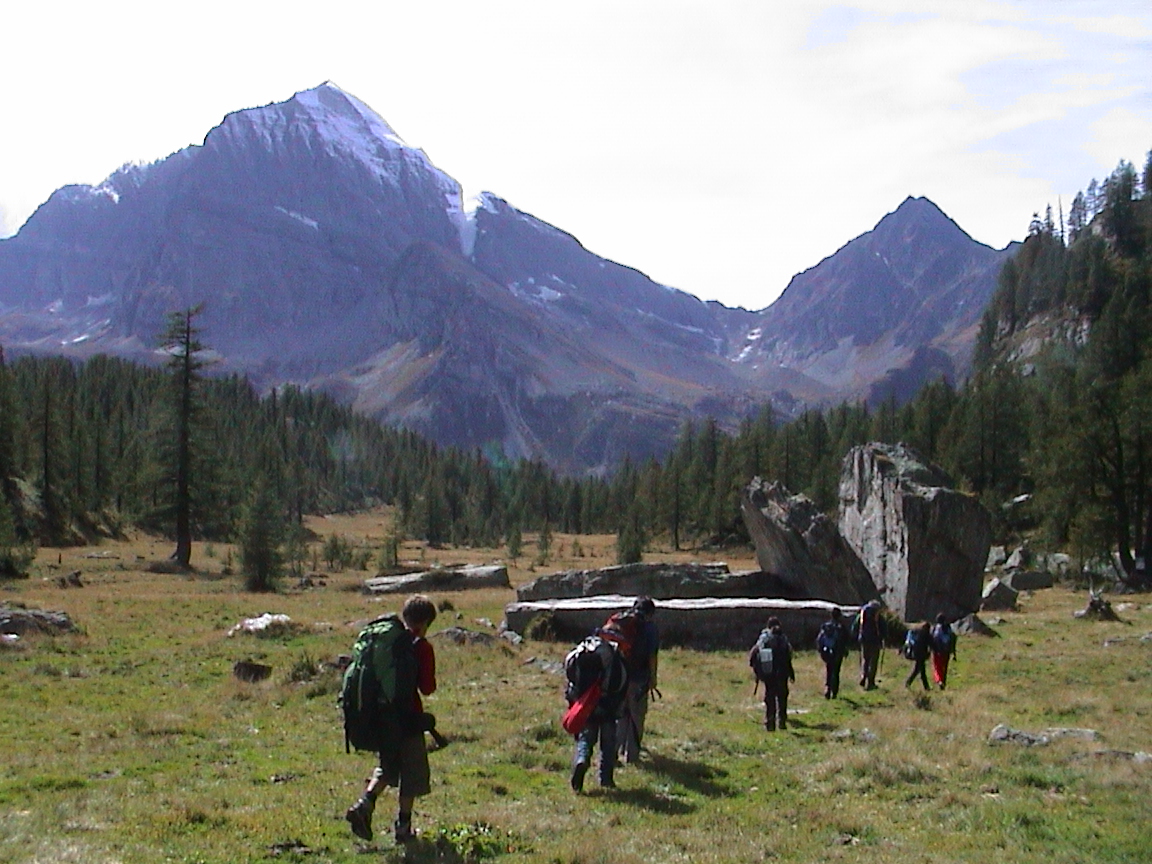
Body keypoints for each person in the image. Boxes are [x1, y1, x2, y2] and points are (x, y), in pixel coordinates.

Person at [345, 594, 438, 844]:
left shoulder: (386, 640)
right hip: (407, 718)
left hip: (378, 715)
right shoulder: (421, 647)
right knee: (412, 774)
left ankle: (364, 804)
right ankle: (403, 828)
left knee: (388, 764)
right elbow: (428, 687)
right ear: (426, 622)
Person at [568, 634, 629, 791]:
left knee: (586, 739)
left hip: (587, 704)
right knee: (608, 744)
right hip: (608, 706)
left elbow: (571, 685)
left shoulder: (582, 655)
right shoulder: (614, 657)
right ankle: (605, 778)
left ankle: (581, 760)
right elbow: (622, 685)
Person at [618, 596, 659, 764]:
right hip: (639, 679)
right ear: (651, 613)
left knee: (620, 715)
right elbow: (652, 656)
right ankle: (632, 756)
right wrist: (653, 678)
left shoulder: (624, 624)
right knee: (637, 717)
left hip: (619, 678)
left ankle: (612, 753)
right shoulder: (650, 629)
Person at [749, 616, 795, 731]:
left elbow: (754, 652)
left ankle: (770, 723)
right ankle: (782, 722)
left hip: (769, 673)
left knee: (770, 698)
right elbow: (789, 655)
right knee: (782, 697)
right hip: (783, 672)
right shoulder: (783, 638)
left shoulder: (765, 638)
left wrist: (757, 669)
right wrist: (791, 672)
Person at [816, 607, 849, 699]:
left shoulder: (826, 626)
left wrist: (820, 649)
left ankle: (827, 688)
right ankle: (834, 691)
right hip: (838, 652)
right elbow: (846, 640)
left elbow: (819, 639)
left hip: (827, 651)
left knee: (829, 670)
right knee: (836, 671)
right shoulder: (841, 627)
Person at [855, 599, 885, 690]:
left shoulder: (862, 614)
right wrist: (883, 638)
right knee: (873, 661)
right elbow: (883, 628)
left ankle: (863, 677)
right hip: (875, 640)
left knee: (865, 659)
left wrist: (857, 636)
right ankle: (870, 682)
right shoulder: (878, 616)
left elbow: (855, 626)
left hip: (864, 639)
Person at [929, 613, 956, 689]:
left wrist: (931, 649)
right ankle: (944, 683)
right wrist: (953, 652)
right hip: (946, 651)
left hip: (937, 652)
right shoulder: (948, 628)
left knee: (937, 668)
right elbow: (953, 638)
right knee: (944, 668)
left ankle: (939, 681)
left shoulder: (936, 628)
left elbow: (933, 639)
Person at [903, 621, 932, 691]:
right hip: (921, 654)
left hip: (916, 653)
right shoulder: (925, 634)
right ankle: (909, 683)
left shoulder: (917, 632)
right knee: (920, 671)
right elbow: (930, 643)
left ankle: (925, 686)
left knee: (918, 670)